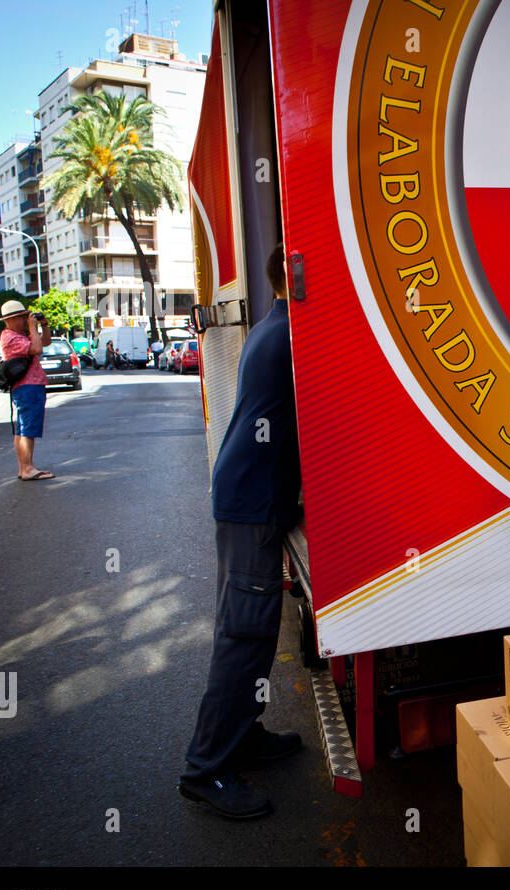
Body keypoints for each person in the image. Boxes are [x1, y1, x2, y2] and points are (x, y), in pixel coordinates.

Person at [180, 244, 301, 819]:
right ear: (294, 278)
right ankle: (207, 770)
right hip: (251, 501)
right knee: (243, 635)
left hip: (249, 496)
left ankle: (242, 737)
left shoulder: (273, 325)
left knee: (253, 628)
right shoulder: (289, 338)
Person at [0, 301, 54, 481]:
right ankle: (27, 468)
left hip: (29, 386)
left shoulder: (20, 335)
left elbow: (45, 342)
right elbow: (37, 349)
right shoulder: (10, 337)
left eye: (25, 317)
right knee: (28, 429)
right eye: (21, 318)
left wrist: (43, 325)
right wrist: (32, 328)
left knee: (22, 429)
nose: (24, 320)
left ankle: (24, 467)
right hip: (28, 386)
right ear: (11, 320)